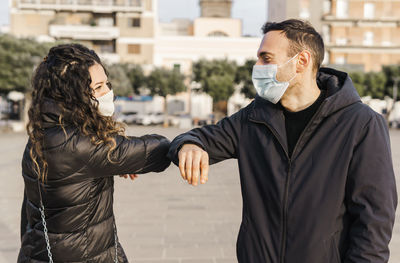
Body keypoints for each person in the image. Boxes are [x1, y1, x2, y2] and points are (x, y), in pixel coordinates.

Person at [168, 19, 397, 263]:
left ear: (302, 61)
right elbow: (197, 137)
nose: (257, 66)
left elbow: (374, 220)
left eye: (266, 58)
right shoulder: (253, 118)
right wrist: (189, 144)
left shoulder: (361, 123)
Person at [18, 43, 171, 263]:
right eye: (98, 87)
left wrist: (107, 164)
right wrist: (189, 142)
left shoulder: (42, 136)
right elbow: (156, 150)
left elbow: (30, 210)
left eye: (107, 84)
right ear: (72, 95)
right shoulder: (82, 145)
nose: (108, 92)